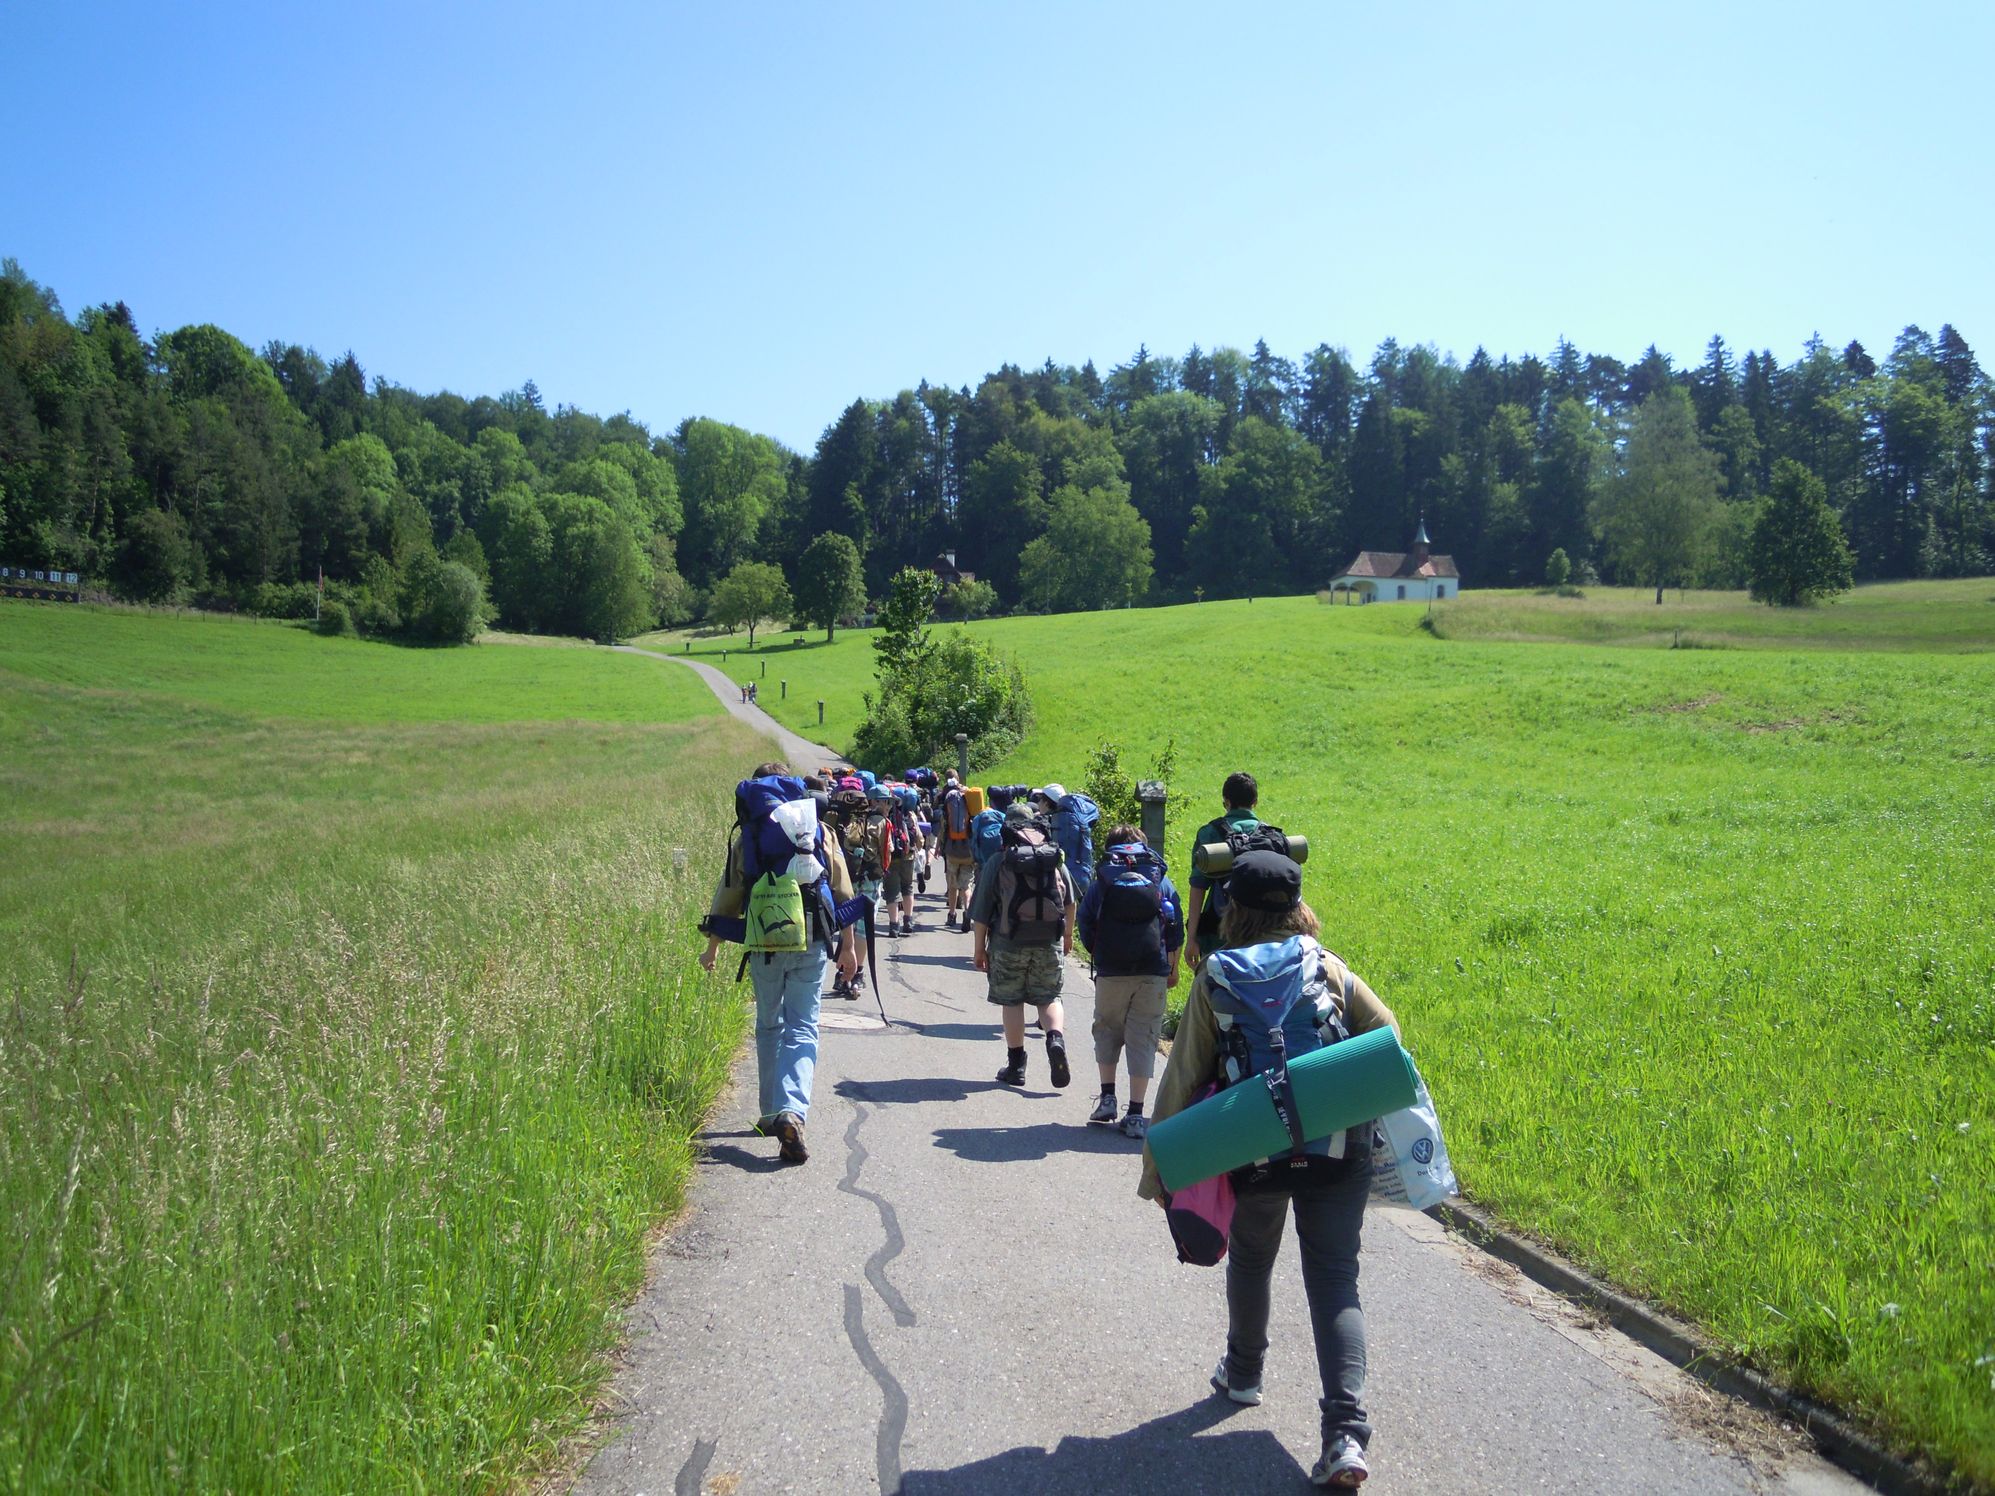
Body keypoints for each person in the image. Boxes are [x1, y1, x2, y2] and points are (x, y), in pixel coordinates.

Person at [1138, 852, 1399, 1489]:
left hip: (1254, 1145)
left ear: (1233, 909)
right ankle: (1345, 1436)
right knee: (1334, 1279)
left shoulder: (1217, 974)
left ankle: (1244, 1373)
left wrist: (1159, 1171)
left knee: (1252, 1259)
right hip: (1339, 1147)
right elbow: (1387, 1033)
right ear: (1296, 906)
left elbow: (1184, 1076)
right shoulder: (1325, 964)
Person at [699, 760, 861, 1164]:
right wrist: (849, 947)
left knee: (769, 1024)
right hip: (811, 936)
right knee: (802, 1026)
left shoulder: (751, 832)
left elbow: (729, 894)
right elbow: (843, 891)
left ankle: (772, 1113)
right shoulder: (817, 827)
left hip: (765, 939)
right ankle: (792, 1109)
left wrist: (713, 946)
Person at [1074, 824, 1184, 1138]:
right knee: (1144, 1037)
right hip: (1152, 970)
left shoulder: (1103, 879)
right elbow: (1175, 926)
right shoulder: (1159, 878)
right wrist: (1171, 965)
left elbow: (1085, 920)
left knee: (1107, 1029)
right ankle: (1136, 1114)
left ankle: (1107, 1098)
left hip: (1112, 970)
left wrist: (1101, 951)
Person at [970, 801, 1075, 1088]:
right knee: (1049, 997)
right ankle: (1055, 1039)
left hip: (1008, 943)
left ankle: (1016, 1066)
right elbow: (1070, 902)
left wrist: (979, 949)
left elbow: (981, 912)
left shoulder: (999, 861)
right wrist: (1067, 936)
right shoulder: (1053, 857)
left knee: (1012, 1001)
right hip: (1049, 941)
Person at [1184, 770, 1267, 967]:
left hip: (1219, 931)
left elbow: (1198, 887)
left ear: (1226, 802)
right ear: (1255, 802)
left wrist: (1192, 938)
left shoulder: (1210, 833)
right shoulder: (1270, 835)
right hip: (1263, 930)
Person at [940, 773, 977, 929]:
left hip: (952, 850)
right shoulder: (969, 798)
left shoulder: (948, 800)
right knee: (966, 886)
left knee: (952, 885)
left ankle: (952, 915)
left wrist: (940, 847)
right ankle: (967, 912)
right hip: (968, 851)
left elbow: (943, 829)